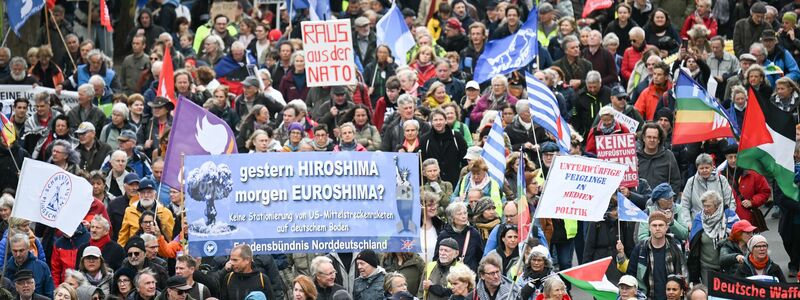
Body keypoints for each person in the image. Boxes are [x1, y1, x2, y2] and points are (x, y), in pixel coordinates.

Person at [622, 211, 685, 299]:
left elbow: (682, 274)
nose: (657, 228)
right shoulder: (640, 249)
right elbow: (631, 275)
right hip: (646, 297)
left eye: (661, 225)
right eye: (654, 225)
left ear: (666, 227)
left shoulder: (674, 247)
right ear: (649, 228)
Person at [688, 190, 739, 285]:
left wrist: (727, 238)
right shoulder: (699, 218)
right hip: (706, 266)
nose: (705, 209)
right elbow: (693, 241)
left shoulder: (730, 216)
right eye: (704, 206)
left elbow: (739, 237)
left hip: (727, 266)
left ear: (717, 205)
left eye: (708, 206)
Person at [118, 178, 175, 246]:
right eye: (143, 192)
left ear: (155, 194)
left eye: (149, 192)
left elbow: (171, 238)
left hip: (159, 251)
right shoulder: (130, 211)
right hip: (136, 251)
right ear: (138, 194)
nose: (146, 195)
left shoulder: (165, 213)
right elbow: (123, 236)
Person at [681, 154, 735, 222]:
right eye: (701, 168)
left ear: (712, 167)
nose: (704, 170)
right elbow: (684, 204)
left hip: (720, 222)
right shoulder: (691, 182)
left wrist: (728, 219)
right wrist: (687, 222)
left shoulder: (722, 180)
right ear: (697, 168)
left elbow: (730, 201)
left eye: (707, 167)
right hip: (698, 222)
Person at [5, 233, 55, 298]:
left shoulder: (42, 267)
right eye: (15, 251)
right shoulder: (5, 269)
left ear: (28, 248)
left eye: (21, 250)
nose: (18, 254)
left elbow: (50, 294)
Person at [637, 123, 682, 193]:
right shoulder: (635, 156)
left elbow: (676, 181)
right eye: (649, 137)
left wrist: (669, 200)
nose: (652, 140)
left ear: (659, 140)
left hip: (661, 202)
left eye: (655, 137)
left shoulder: (668, 155)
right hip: (637, 201)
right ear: (643, 138)